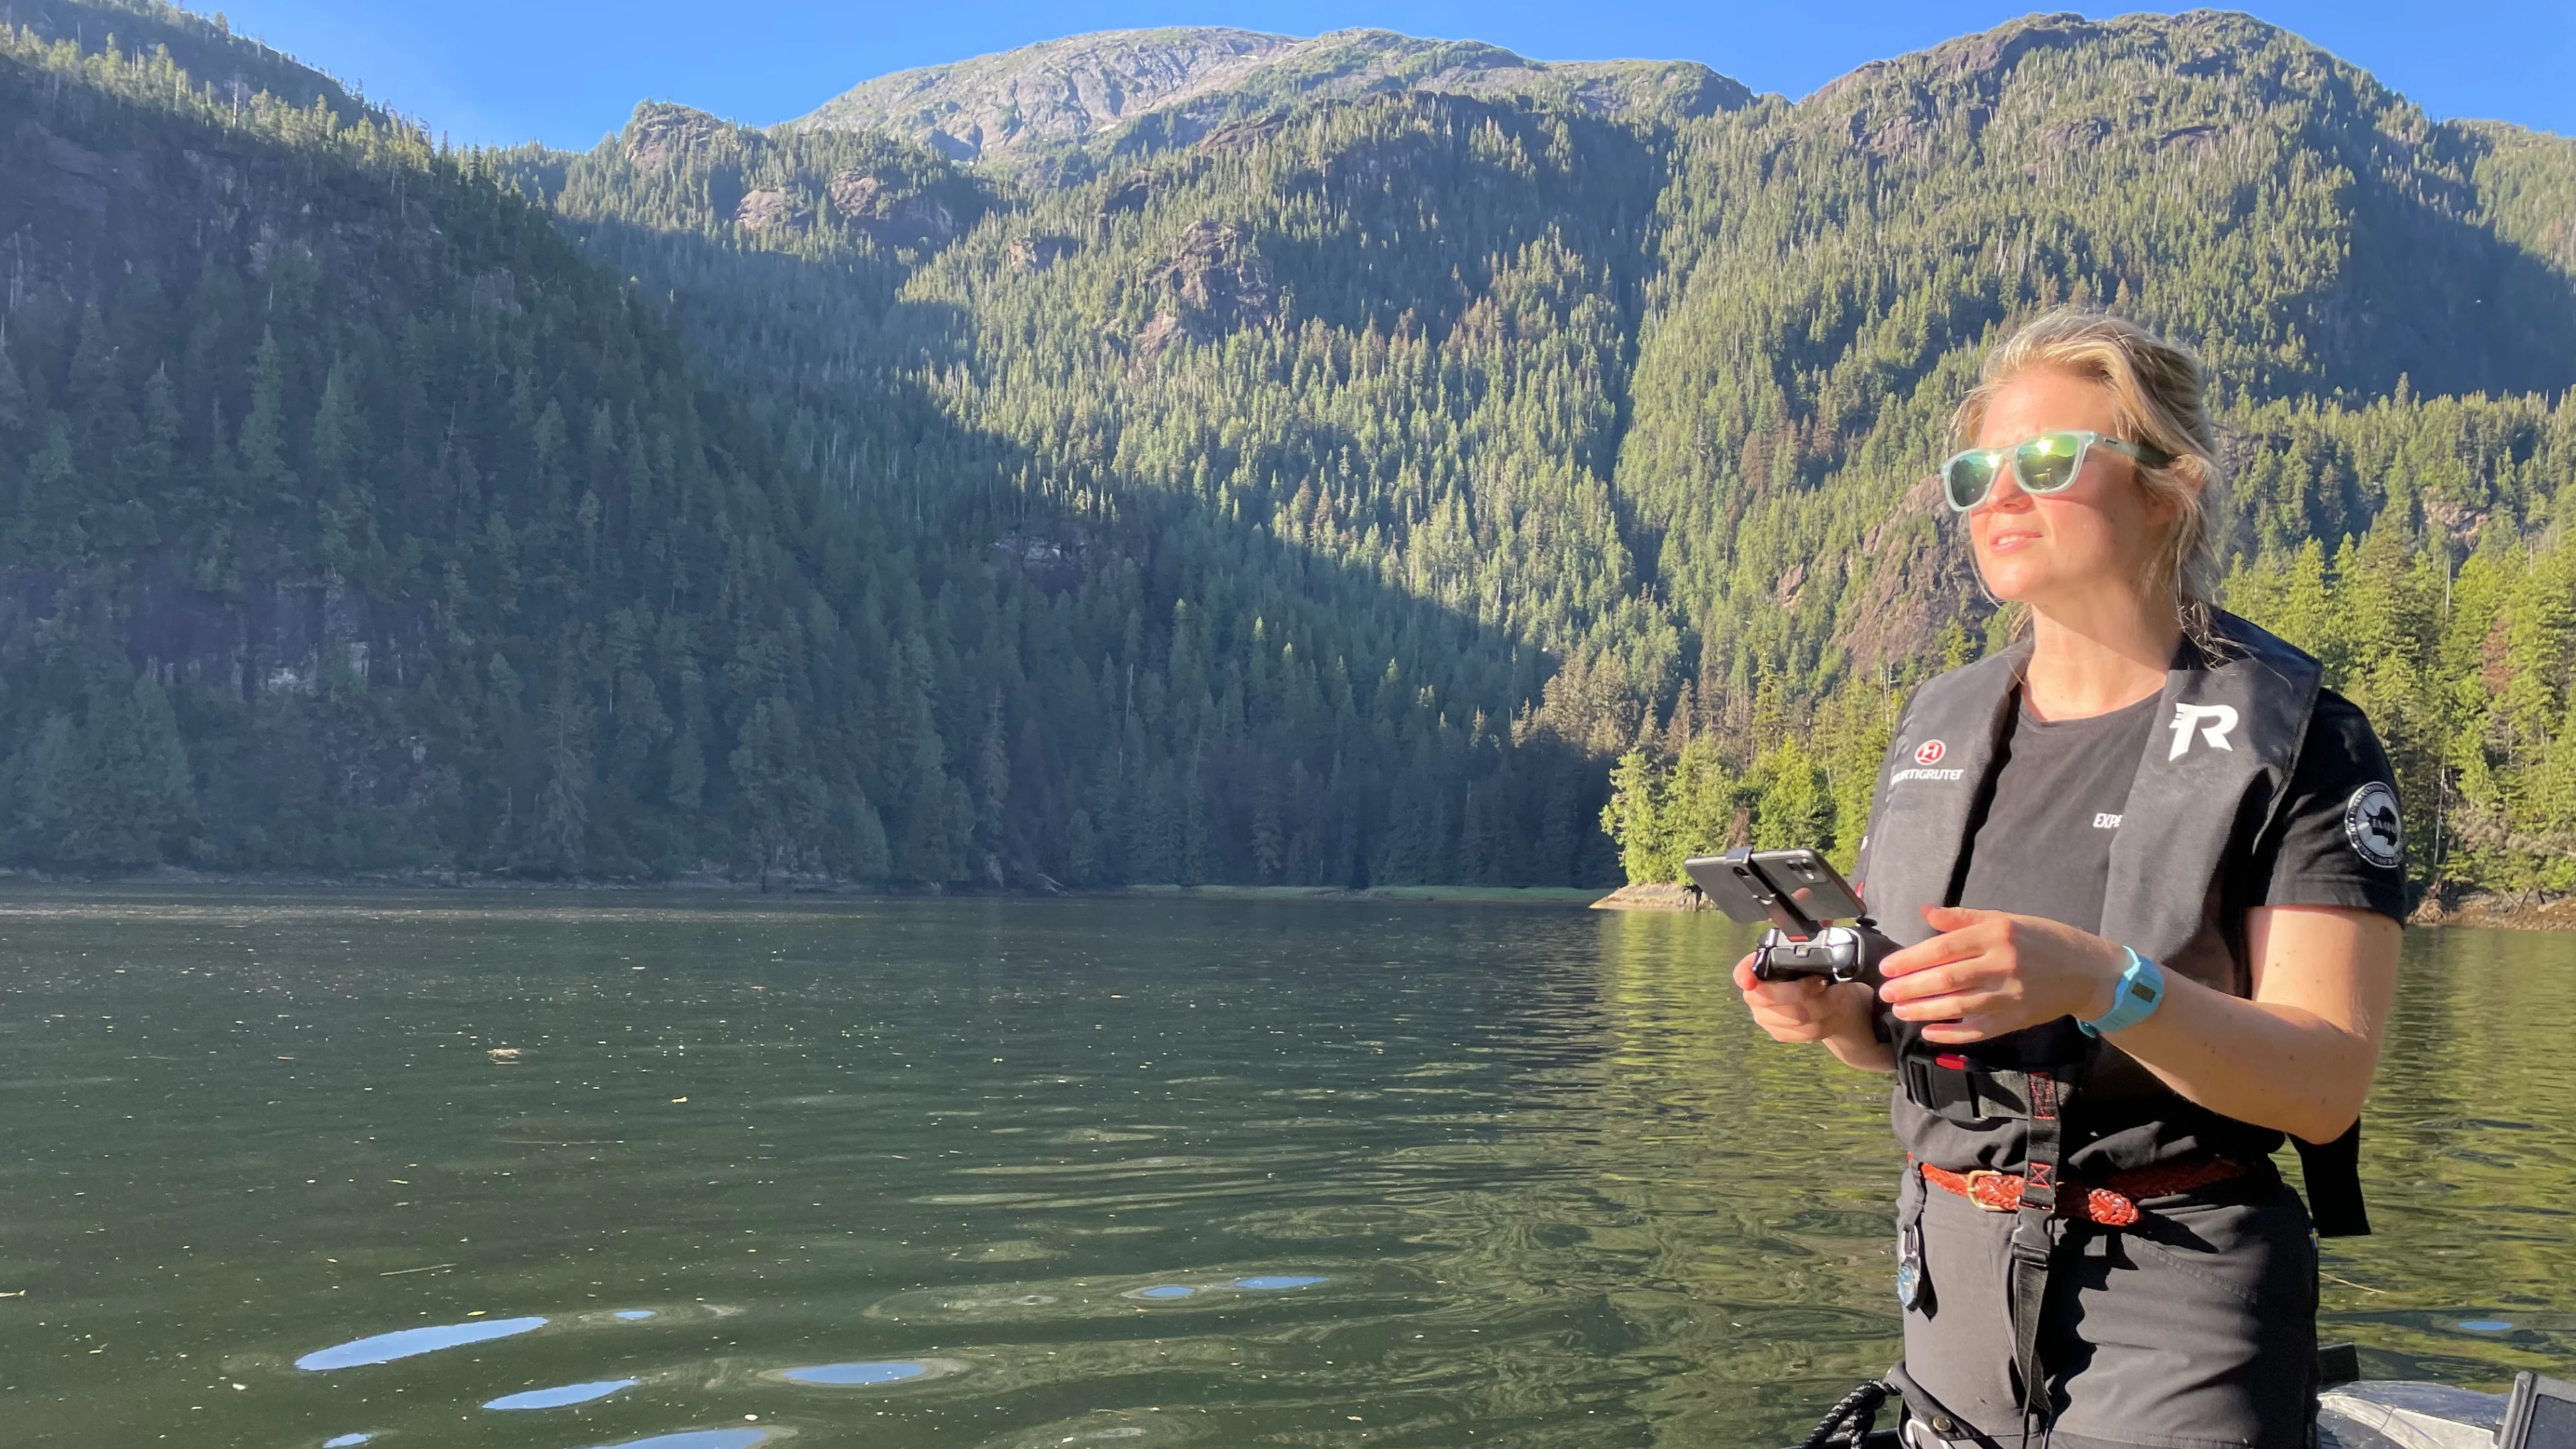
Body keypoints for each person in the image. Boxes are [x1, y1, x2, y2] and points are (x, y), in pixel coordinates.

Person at [1732, 308, 2407, 1449]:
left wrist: (2104, 981)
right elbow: (1892, 1040)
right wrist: (1835, 1014)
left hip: (2177, 1299)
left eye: (2047, 463)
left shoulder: (2304, 742)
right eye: (1975, 472)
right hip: (1948, 1297)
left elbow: (2324, 1083)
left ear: (2168, 487)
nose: (1999, 496)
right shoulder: (1945, 727)